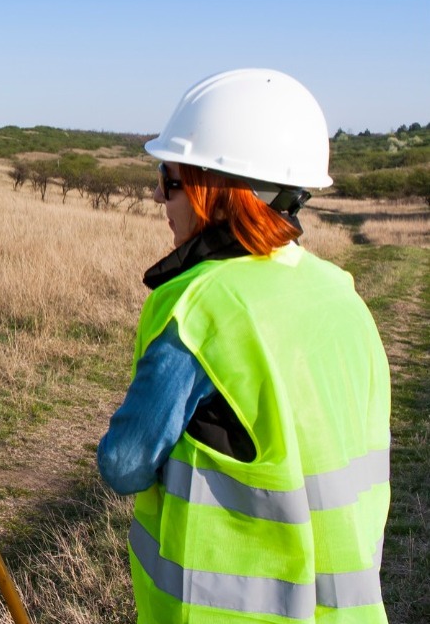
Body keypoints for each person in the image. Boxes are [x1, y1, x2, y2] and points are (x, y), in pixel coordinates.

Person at [97, 69, 391, 623]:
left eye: (172, 178)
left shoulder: (199, 305)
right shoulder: (342, 295)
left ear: (214, 191)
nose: (159, 194)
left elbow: (126, 464)